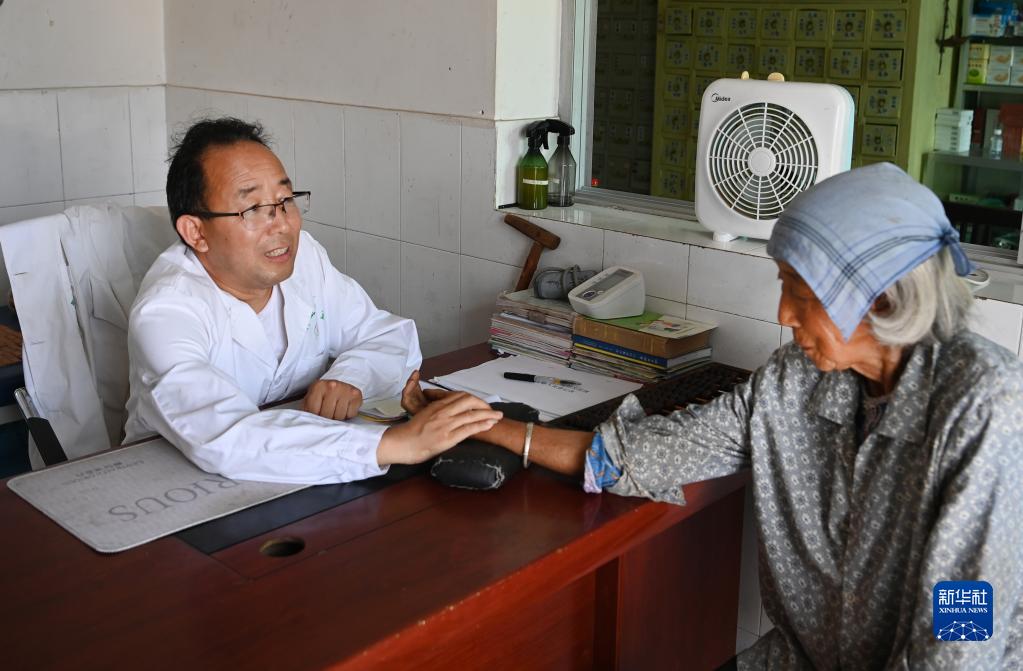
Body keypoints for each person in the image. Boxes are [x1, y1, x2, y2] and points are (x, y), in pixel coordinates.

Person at [404, 163, 1023, 669]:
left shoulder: (983, 406)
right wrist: (485, 424)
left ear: (878, 298)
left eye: (798, 290)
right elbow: (638, 455)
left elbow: (963, 632)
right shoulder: (795, 381)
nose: (783, 314)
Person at [124, 117, 501, 483]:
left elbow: (388, 336)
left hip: (304, 469)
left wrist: (350, 378)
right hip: (173, 484)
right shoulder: (166, 311)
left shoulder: (303, 259)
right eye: (253, 209)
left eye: (285, 199)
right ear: (196, 232)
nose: (283, 224)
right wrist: (394, 444)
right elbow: (227, 435)